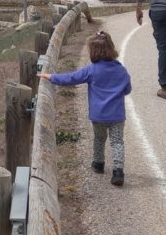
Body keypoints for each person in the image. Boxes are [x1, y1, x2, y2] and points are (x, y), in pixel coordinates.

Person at [38, 31, 132, 185]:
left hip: (98, 115)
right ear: (111, 49)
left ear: (93, 52)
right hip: (117, 115)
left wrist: (51, 77)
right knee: (117, 142)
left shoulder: (92, 70)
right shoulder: (121, 70)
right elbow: (127, 89)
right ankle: (118, 171)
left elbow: (71, 78)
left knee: (100, 139)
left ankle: (98, 163)